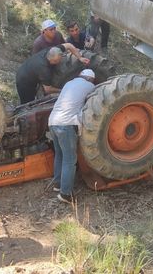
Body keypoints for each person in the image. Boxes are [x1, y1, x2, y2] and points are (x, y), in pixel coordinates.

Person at [48, 69, 96, 204]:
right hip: (66, 125)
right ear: (90, 79)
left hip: (52, 121)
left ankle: (58, 185)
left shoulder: (69, 83)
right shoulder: (90, 86)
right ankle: (66, 194)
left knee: (59, 155)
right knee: (70, 160)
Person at [15, 44, 90, 104]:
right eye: (57, 61)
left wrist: (80, 58)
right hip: (23, 80)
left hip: (29, 68)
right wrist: (64, 90)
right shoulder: (44, 69)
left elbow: (69, 45)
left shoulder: (54, 50)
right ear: (51, 60)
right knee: (28, 104)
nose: (59, 62)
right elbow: (48, 90)